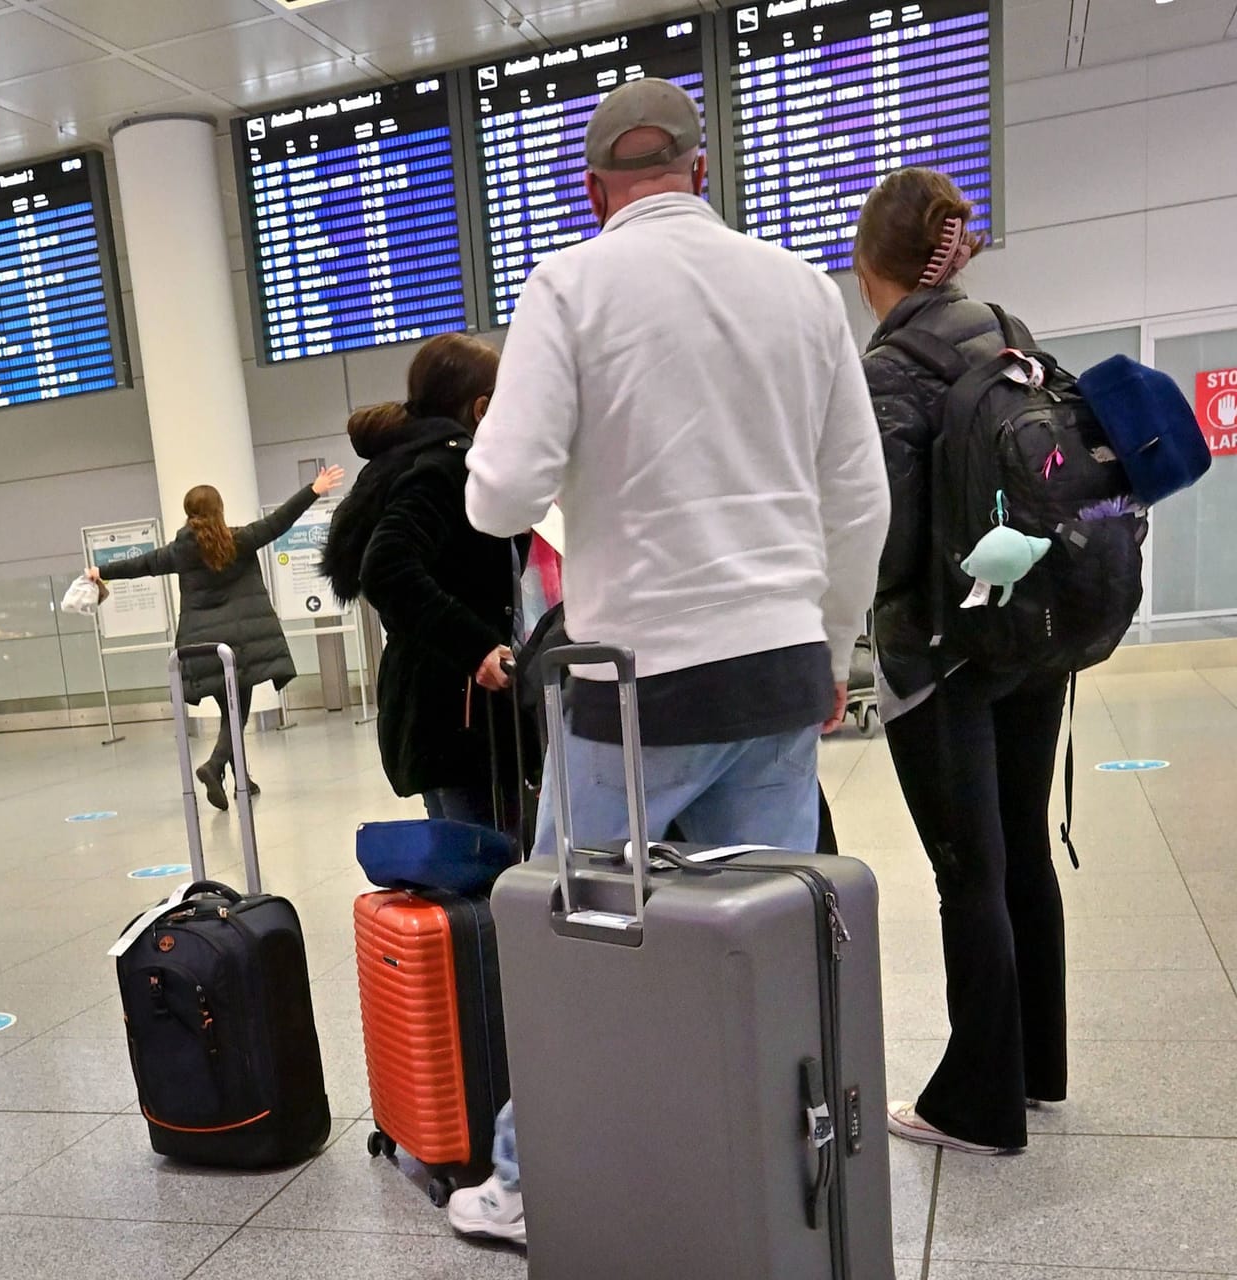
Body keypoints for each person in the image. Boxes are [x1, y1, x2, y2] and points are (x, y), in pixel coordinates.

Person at [452, 78, 891, 1245]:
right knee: (765, 933)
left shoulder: (571, 284)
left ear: (596, 189)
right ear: (702, 172)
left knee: (571, 938)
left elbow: (498, 495)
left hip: (632, 690)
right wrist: (835, 641)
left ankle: (526, 1178)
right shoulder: (802, 290)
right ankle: (760, 1162)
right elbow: (860, 498)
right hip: (781, 669)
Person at [856, 167, 1070, 1157]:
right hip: (1035, 630)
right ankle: (1036, 1066)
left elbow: (891, 539)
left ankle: (975, 1103)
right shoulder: (1010, 331)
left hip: (943, 651)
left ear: (871, 267)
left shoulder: (892, 366)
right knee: (1019, 842)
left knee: (965, 868)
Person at [322, 332, 524, 829]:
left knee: (472, 870)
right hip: (457, 716)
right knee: (482, 875)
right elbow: (386, 568)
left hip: (442, 711)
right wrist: (478, 647)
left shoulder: (408, 461)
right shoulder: (445, 469)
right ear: (481, 408)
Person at [91, 467, 343, 809]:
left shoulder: (179, 552)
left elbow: (143, 565)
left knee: (230, 710)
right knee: (236, 714)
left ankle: (242, 778)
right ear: (219, 510)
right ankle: (213, 766)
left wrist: (101, 571)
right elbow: (280, 521)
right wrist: (313, 489)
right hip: (240, 646)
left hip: (202, 649)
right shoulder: (238, 541)